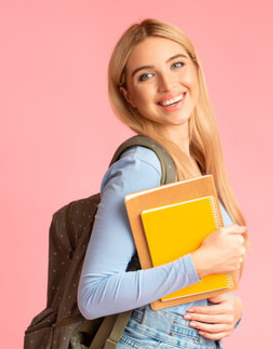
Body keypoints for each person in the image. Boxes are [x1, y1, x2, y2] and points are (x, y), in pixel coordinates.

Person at [78, 19, 248, 348]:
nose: (168, 84)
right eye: (146, 75)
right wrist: (198, 264)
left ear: (196, 70)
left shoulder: (195, 164)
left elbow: (191, 292)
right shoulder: (142, 166)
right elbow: (94, 295)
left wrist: (233, 311)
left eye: (177, 64)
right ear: (128, 95)